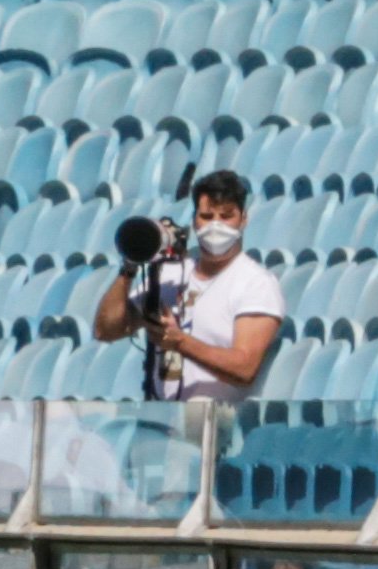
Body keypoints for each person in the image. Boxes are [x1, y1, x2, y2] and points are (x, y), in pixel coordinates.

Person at [93, 168, 287, 406]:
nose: (216, 225)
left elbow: (244, 367)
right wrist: (129, 267)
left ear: (243, 219)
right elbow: (107, 330)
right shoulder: (169, 273)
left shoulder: (256, 283)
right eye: (206, 216)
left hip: (215, 423)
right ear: (194, 219)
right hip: (161, 415)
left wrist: (180, 342)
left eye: (226, 216)